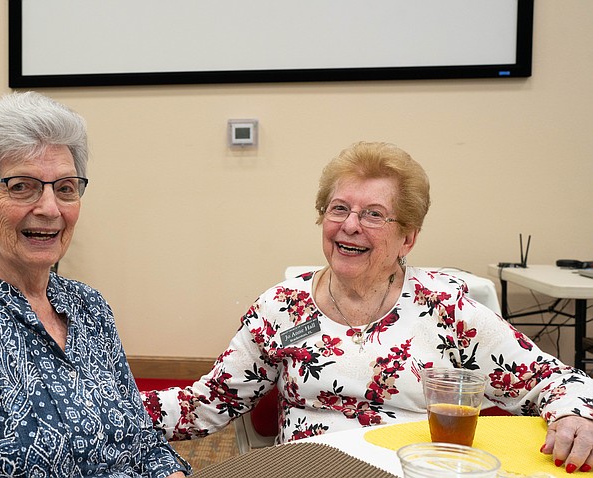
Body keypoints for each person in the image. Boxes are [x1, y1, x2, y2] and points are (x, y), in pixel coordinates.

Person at [142, 141, 593, 474]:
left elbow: (558, 381)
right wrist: (102, 406)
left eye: (374, 214)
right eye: (339, 209)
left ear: (408, 238)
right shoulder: (283, 307)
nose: (350, 226)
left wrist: (574, 413)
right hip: (308, 469)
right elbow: (208, 402)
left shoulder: (445, 308)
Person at [0, 92, 189, 478]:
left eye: (65, 187)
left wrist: (172, 472)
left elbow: (143, 442)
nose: (50, 208)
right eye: (22, 187)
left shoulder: (89, 307)